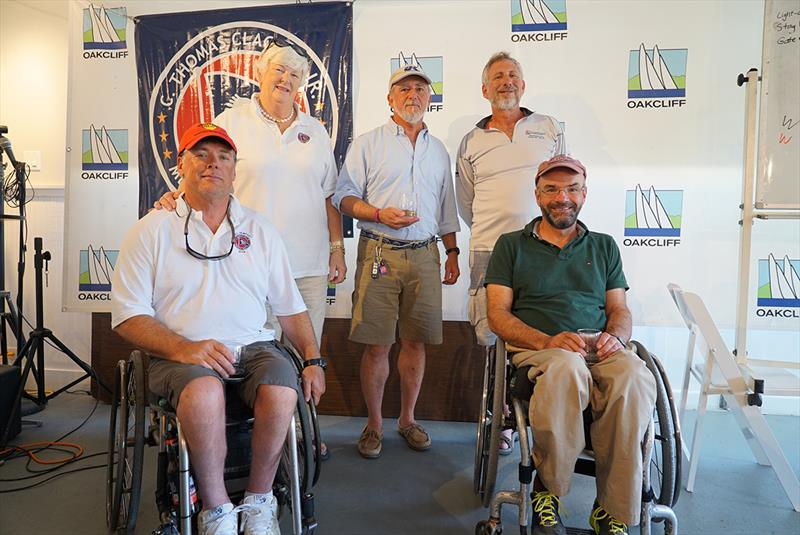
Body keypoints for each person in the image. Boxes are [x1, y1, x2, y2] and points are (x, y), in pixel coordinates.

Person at [113, 123, 327, 535]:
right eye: (201, 154)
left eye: (223, 157)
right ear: (181, 164)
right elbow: (127, 316)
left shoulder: (260, 230)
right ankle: (216, 510)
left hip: (252, 347)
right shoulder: (151, 230)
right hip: (179, 353)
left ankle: (259, 500)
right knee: (205, 389)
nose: (213, 164)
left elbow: (290, 307)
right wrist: (182, 348)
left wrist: (314, 359)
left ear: (234, 169)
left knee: (283, 385)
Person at [156, 41, 343, 459]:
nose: (285, 80)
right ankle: (256, 438)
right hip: (247, 261)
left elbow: (328, 195)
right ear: (260, 74)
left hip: (308, 263)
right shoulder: (232, 120)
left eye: (294, 75)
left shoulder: (315, 131)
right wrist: (174, 199)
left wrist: (337, 248)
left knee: (305, 356)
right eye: (278, 71)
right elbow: (205, 173)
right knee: (259, 356)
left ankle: (303, 433)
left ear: (302, 84)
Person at [484, 155, 656, 535]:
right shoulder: (511, 245)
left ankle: (613, 509)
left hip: (599, 347)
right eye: (552, 189)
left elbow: (619, 309)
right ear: (538, 195)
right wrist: (549, 340)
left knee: (635, 377)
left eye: (572, 188)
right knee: (566, 367)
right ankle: (548, 492)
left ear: (584, 194)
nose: (563, 197)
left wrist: (617, 337)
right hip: (541, 348)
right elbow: (497, 315)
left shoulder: (604, 246)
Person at [332, 65, 460, 459]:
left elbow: (446, 208)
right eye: (404, 89)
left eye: (421, 90)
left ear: (429, 99)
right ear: (390, 98)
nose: (413, 96)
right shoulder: (368, 143)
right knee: (376, 346)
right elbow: (343, 197)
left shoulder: (438, 150)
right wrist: (376, 214)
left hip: (426, 255)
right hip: (379, 251)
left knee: (416, 343)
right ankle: (373, 424)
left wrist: (452, 252)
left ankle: (407, 419)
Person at [456, 51, 566, 455]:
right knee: (490, 336)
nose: (506, 82)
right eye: (498, 77)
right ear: (485, 89)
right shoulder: (471, 140)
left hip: (542, 248)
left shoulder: (548, 128)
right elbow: (465, 201)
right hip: (488, 248)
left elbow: (563, 183)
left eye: (513, 75)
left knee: (539, 324)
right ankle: (501, 417)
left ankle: (545, 412)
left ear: (523, 84)